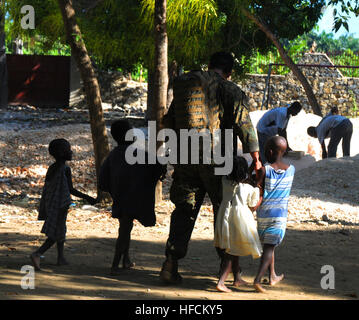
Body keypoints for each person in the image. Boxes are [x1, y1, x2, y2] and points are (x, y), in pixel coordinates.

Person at [159, 51, 262, 284]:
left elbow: (169, 122)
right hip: (217, 158)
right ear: (229, 71)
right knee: (223, 210)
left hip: (186, 156)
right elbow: (243, 124)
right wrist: (255, 158)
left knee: (184, 210)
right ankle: (226, 271)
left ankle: (170, 263)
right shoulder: (230, 90)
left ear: (209, 65)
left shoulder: (189, 89)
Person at [99, 119, 166, 275]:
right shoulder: (140, 153)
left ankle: (126, 259)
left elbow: (103, 180)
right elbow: (158, 168)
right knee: (124, 230)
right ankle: (115, 264)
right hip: (134, 197)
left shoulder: (113, 155)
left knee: (125, 228)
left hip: (120, 197)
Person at [30, 139, 97, 270]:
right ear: (61, 153)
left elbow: (49, 188)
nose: (71, 152)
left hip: (52, 203)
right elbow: (71, 189)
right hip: (60, 204)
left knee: (61, 230)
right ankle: (37, 254)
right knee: (56, 233)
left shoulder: (52, 168)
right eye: (68, 150)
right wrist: (88, 198)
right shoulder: (65, 169)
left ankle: (60, 257)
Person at [253, 136, 295, 293]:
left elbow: (257, 185)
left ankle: (272, 276)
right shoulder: (291, 170)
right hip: (278, 217)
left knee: (270, 245)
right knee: (269, 247)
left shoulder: (264, 170)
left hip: (263, 216)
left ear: (269, 152)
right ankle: (257, 280)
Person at [214, 156, 262, 293]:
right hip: (239, 220)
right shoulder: (248, 188)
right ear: (244, 172)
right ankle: (221, 282)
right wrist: (258, 186)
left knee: (232, 249)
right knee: (231, 253)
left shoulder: (224, 181)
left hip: (224, 217)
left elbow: (236, 178)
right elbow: (253, 205)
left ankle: (237, 278)